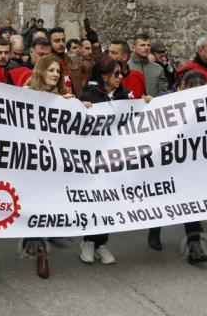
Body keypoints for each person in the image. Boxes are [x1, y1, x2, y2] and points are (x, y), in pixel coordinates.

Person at [23, 55, 88, 278]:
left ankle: (37, 242)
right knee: (35, 205)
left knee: (48, 204)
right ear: (41, 71)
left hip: (54, 164)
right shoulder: (24, 94)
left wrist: (80, 106)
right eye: (51, 70)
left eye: (58, 72)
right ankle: (41, 254)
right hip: (30, 162)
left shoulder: (63, 98)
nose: (55, 74)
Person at [146, 69, 207, 264]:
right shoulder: (164, 100)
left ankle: (195, 248)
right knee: (160, 198)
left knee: (190, 202)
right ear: (182, 87)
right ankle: (154, 232)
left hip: (188, 160)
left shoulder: (203, 101)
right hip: (164, 159)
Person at [78, 57, 130, 265]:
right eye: (116, 74)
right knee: (95, 199)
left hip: (115, 158)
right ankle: (88, 241)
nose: (120, 77)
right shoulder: (89, 96)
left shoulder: (124, 97)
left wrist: (147, 103)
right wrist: (80, 107)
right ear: (104, 76)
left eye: (121, 73)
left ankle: (101, 242)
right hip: (94, 158)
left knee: (109, 200)